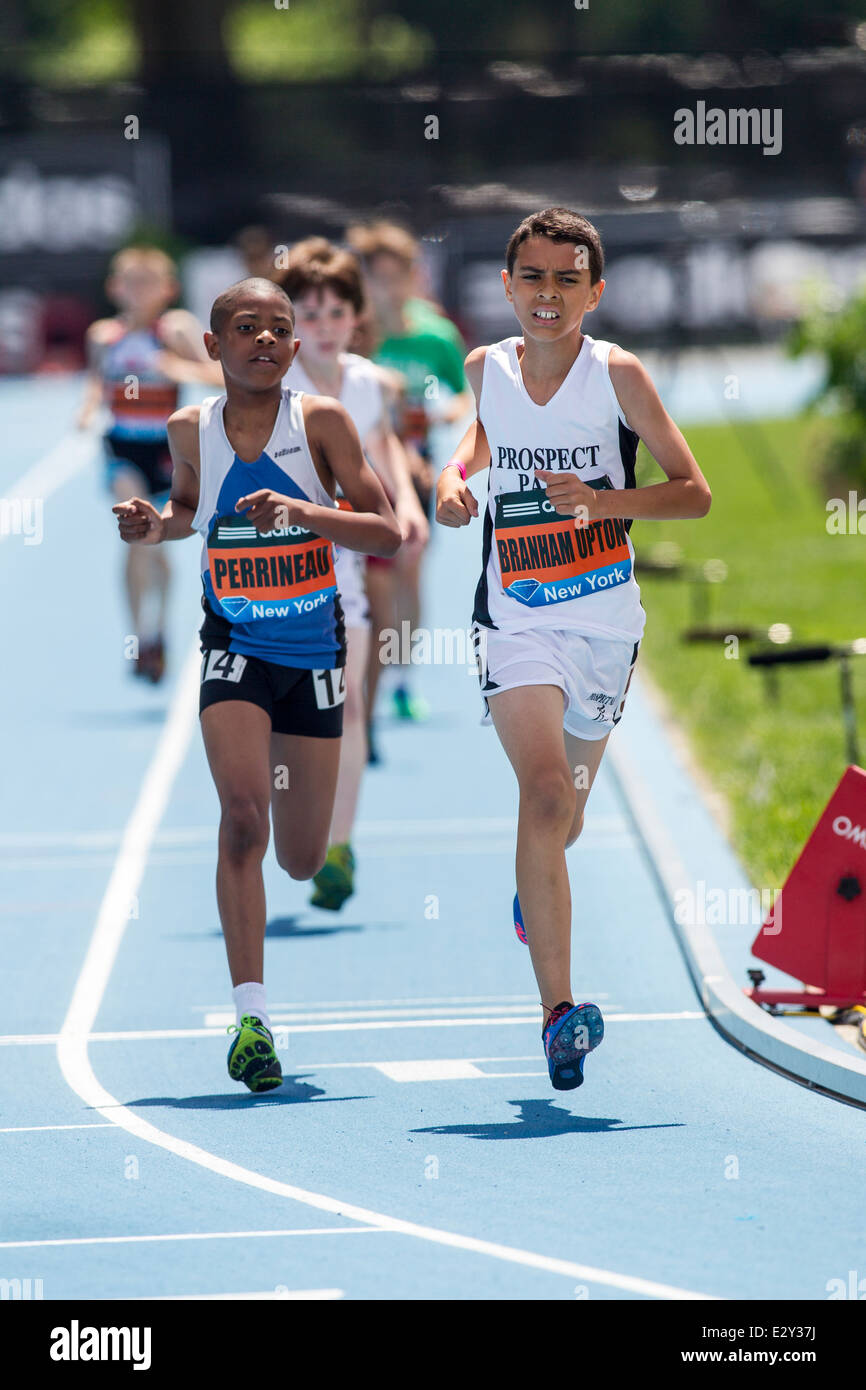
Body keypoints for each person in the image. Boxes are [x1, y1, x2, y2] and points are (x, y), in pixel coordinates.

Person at [435, 207, 712, 1091]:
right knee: (544, 792)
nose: (546, 294)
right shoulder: (485, 367)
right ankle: (559, 1014)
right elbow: (480, 438)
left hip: (604, 623)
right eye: (532, 277)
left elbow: (693, 493)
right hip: (514, 614)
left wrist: (602, 503)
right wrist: (451, 478)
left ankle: (536, 883)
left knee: (564, 822)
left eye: (565, 279)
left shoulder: (616, 375)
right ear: (507, 285)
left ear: (594, 292)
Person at [112, 277, 400, 1092]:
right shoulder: (188, 427)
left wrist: (306, 516)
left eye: (280, 329)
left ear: (296, 349)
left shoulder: (324, 425)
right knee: (244, 821)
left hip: (313, 656)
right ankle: (252, 1021)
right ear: (213, 346)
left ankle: (301, 858)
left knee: (303, 861)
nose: (266, 341)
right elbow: (188, 511)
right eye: (247, 328)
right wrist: (154, 525)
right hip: (234, 648)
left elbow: (385, 529)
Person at [280, 237, 428, 909]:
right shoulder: (274, 386)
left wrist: (404, 502)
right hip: (277, 575)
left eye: (335, 312)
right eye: (307, 314)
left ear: (354, 317)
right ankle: (299, 830)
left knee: (350, 703)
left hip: (341, 565)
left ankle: (340, 847)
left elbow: (384, 445)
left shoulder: (368, 383)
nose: (322, 327)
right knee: (291, 714)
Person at [346, 220, 473, 739]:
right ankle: (355, 680)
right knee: (359, 585)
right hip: (355, 478)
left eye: (397, 278)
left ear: (413, 277)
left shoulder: (435, 334)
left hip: (415, 474)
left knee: (407, 577)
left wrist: (446, 412)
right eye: (377, 279)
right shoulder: (351, 333)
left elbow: (465, 392)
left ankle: (401, 677)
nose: (387, 290)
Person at [79, 246, 222, 682]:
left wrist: (175, 367)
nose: (138, 292)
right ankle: (139, 635)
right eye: (130, 282)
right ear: (114, 288)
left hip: (167, 450)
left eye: (148, 282)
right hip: (123, 448)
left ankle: (157, 630)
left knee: (154, 542)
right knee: (136, 530)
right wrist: (86, 410)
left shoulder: (175, 329)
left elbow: (218, 374)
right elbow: (95, 384)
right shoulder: (104, 336)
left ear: (168, 289)